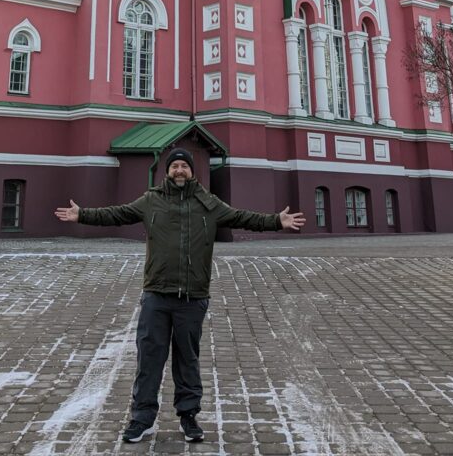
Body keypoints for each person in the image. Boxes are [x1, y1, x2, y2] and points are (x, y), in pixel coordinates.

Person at [55, 147, 305, 444]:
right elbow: (117, 213)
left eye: (184, 166)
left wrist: (276, 221)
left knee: (187, 360)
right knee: (149, 359)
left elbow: (242, 218)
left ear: (191, 171)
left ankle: (188, 417)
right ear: (167, 171)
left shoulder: (207, 203)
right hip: (156, 295)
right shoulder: (151, 200)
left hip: (192, 296)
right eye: (174, 166)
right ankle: (142, 418)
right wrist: (82, 214)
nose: (179, 170)